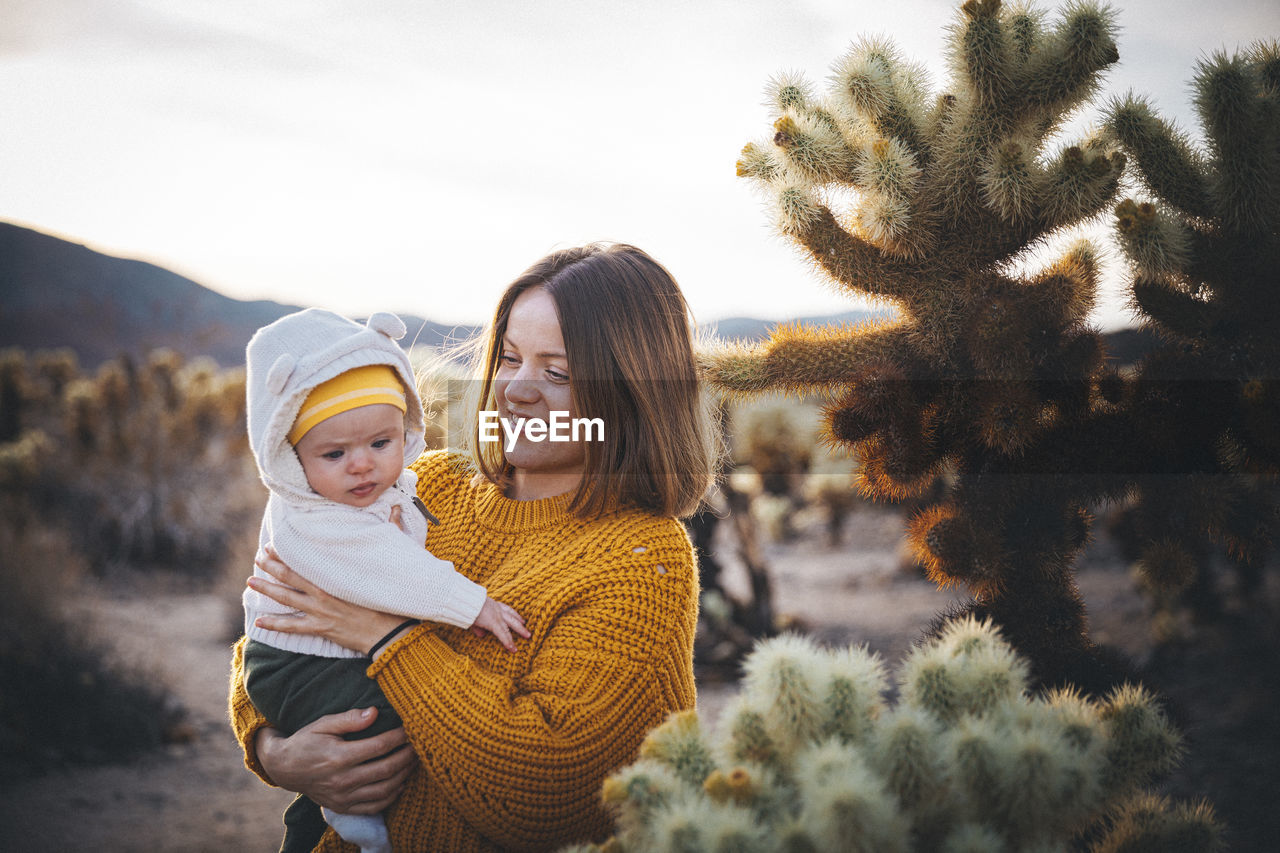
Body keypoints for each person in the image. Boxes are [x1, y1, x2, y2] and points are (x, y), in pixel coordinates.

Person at [228, 243, 718, 851]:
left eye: (558, 372)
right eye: (509, 358)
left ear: (631, 390)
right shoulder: (422, 486)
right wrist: (276, 752)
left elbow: (549, 793)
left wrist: (384, 637)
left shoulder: (642, 560)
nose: (517, 390)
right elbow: (272, 627)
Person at [241, 308, 529, 853]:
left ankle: (330, 815)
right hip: (298, 665)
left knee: (395, 713)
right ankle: (346, 815)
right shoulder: (315, 517)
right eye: (334, 453)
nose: (362, 466)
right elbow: (389, 570)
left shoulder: (400, 489)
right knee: (388, 716)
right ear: (292, 457)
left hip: (307, 659)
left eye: (381, 444)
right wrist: (473, 605)